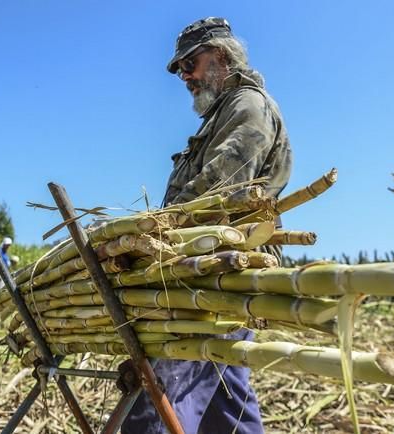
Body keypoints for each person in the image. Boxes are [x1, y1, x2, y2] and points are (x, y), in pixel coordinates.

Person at [123, 17, 292, 434]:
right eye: (180, 69)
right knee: (226, 404)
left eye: (189, 64)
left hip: (214, 275)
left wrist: (149, 232)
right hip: (211, 271)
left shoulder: (248, 106)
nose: (184, 76)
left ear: (220, 57)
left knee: (159, 400)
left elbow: (219, 189)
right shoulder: (223, 112)